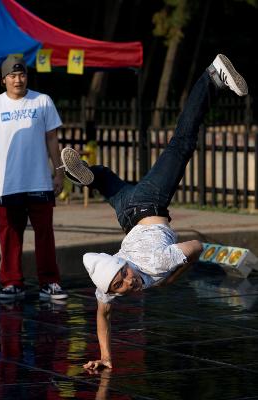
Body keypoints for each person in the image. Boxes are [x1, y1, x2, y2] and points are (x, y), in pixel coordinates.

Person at [60, 54, 248, 370]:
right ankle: (90, 175)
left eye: (124, 277)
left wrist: (170, 278)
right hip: (126, 214)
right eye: (120, 286)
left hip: (150, 202)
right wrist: (105, 357)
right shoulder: (106, 287)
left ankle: (212, 75)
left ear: (122, 264)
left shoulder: (157, 263)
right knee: (106, 181)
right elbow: (102, 315)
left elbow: (196, 247)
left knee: (182, 143)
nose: (128, 285)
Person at [0, 55, 68, 301]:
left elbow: (52, 139)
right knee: (10, 235)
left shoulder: (42, 101)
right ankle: (12, 283)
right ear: (3, 80)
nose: (18, 80)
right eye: (12, 76)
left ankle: (50, 283)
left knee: (44, 233)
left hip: (39, 181)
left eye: (21, 74)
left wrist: (59, 172)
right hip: (8, 183)